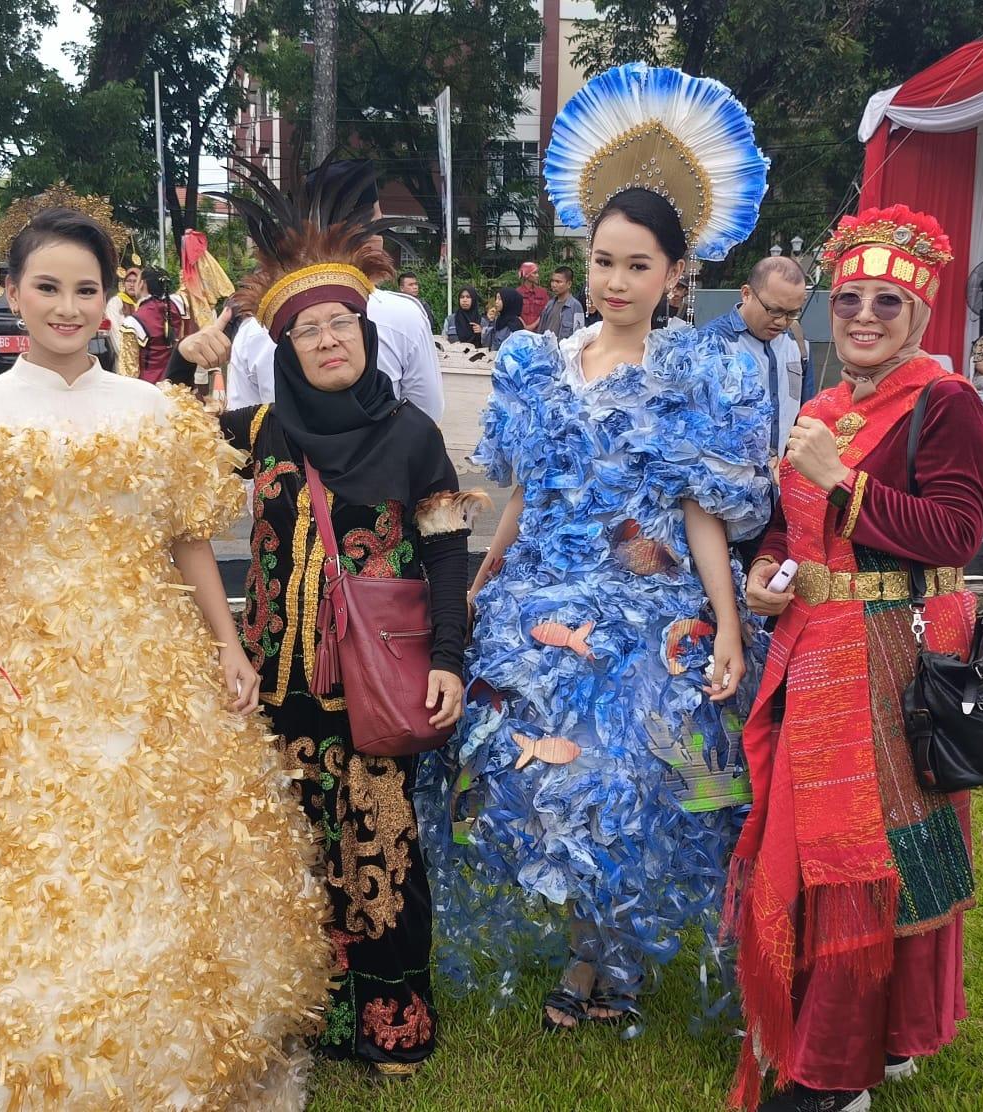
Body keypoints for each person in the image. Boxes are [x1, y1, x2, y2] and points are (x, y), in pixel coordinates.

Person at [0, 204, 332, 1108]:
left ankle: (160, 1061)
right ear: (11, 293)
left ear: (111, 298)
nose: (67, 306)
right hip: (1, 672)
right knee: (3, 867)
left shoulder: (157, 412)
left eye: (87, 289)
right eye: (46, 286)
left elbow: (189, 541)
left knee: (156, 860)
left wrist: (229, 644)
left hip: (147, 672)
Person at [419, 64, 772, 1036]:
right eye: (603, 261)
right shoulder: (540, 362)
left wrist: (729, 627)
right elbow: (526, 492)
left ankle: (616, 954)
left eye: (637, 265)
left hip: (655, 623)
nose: (615, 281)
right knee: (554, 785)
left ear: (674, 273)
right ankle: (587, 944)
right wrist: (486, 581)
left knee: (638, 785)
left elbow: (705, 511)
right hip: (548, 605)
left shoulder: (698, 372)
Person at [171, 160, 473, 1076]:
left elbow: (448, 555)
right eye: (308, 329)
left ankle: (391, 1022)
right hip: (271, 683)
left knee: (379, 844)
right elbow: (148, 460)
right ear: (286, 347)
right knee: (287, 845)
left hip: (373, 680)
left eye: (344, 321)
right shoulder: (258, 431)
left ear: (368, 334)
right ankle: (298, 1012)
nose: (330, 339)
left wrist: (450, 658)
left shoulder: (413, 438)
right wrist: (184, 373)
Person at [729, 205, 983, 1112]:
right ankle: (860, 1031)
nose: (865, 317)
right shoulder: (822, 406)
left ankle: (841, 1066)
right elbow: (784, 529)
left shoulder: (945, 400)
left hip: (896, 659)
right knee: (812, 845)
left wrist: (844, 479)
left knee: (873, 853)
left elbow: (957, 531)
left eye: (888, 300)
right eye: (849, 301)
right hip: (813, 651)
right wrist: (767, 572)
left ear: (920, 313)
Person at [224, 158, 444, 421]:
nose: (328, 341)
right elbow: (427, 414)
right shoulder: (404, 317)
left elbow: (243, 428)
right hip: (389, 459)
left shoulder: (253, 331)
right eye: (377, 219)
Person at [702, 255, 808, 460]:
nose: (781, 321)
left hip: (783, 477)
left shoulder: (798, 343)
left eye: (792, 313)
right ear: (746, 294)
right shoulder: (713, 343)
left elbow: (806, 410)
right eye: (774, 310)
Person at [118, 264, 190, 383]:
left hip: (150, 391)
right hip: (178, 388)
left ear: (142, 284)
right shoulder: (178, 305)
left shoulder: (133, 323)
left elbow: (128, 373)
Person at [537, 264, 584, 339]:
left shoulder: (576, 306)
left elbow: (579, 335)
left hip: (564, 349)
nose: (554, 285)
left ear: (569, 284)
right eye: (552, 281)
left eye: (558, 282)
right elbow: (541, 329)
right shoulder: (549, 304)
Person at [516, 260, 548, 329]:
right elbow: (514, 313)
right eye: (534, 273)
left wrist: (533, 326)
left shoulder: (543, 292)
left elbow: (545, 312)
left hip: (539, 331)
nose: (537, 275)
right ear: (527, 275)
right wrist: (524, 326)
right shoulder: (517, 292)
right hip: (521, 331)